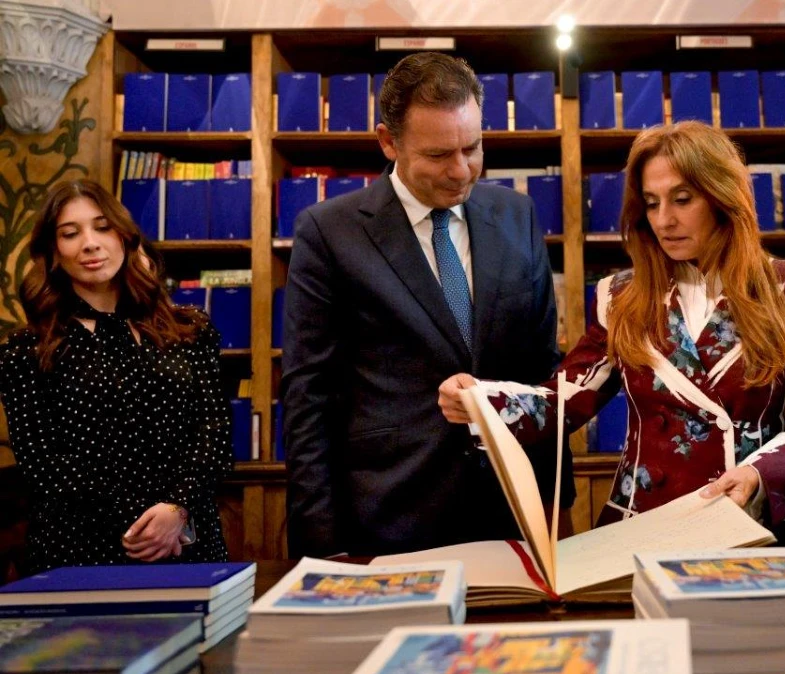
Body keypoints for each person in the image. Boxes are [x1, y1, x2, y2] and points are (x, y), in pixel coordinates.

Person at [439, 121, 785, 547]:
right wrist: (480, 401)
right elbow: (564, 402)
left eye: (682, 200)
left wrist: (759, 475)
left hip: (756, 528)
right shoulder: (621, 298)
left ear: (724, 196)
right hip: (646, 526)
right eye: (651, 204)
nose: (664, 220)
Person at [283, 52, 570, 558]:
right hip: (386, 518)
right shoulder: (329, 232)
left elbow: (543, 371)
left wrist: (558, 502)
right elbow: (308, 396)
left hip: (511, 512)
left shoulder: (517, 215)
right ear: (388, 141)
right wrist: (321, 543)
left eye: (472, 147)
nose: (461, 170)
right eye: (438, 155)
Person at [0, 179, 231, 573]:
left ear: (125, 237)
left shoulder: (190, 329)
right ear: (54, 252)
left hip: (188, 539)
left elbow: (215, 431)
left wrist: (176, 510)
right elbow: (44, 465)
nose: (90, 243)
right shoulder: (26, 350)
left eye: (103, 227)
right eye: (70, 234)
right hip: (81, 549)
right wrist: (146, 524)